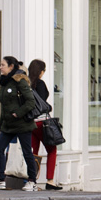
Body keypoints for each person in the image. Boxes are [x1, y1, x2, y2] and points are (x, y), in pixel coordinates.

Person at [0, 56, 39, 191]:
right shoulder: (4, 82)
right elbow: (5, 106)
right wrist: (1, 125)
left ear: (11, 66)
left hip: (22, 124)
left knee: (26, 152)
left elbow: (31, 102)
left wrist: (18, 113)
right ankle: (0, 179)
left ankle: (32, 181)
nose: (0, 67)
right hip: (8, 125)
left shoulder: (20, 81)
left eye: (3, 65)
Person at [28, 59, 61, 191]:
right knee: (52, 150)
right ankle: (50, 181)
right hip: (42, 122)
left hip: (30, 123)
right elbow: (41, 103)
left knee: (33, 152)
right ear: (41, 72)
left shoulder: (26, 84)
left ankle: (32, 180)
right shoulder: (40, 84)